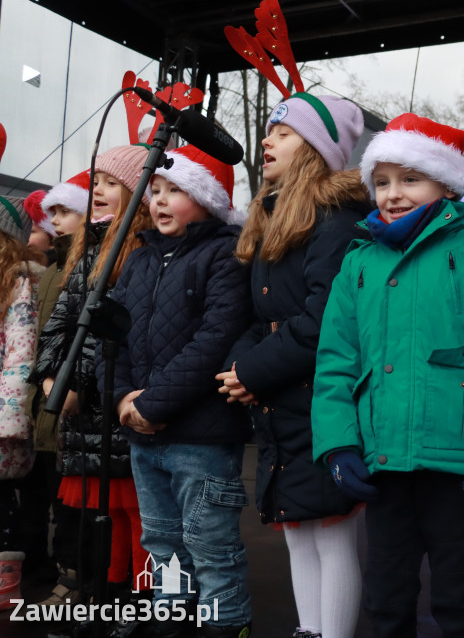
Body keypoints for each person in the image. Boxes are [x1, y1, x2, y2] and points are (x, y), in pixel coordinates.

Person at [312, 112, 464, 638]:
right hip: (383, 462)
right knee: (385, 598)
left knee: (458, 596)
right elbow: (337, 357)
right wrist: (338, 444)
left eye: (410, 179)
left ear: (444, 182)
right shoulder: (358, 261)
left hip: (457, 461)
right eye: (381, 182)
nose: (393, 193)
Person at [216, 92, 370, 638]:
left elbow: (323, 319)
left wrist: (254, 372)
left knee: (331, 533)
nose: (265, 141)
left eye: (282, 133)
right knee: (297, 529)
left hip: (322, 402)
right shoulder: (279, 219)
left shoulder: (336, 223)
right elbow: (262, 318)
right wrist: (241, 369)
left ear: (314, 148)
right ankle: (309, 630)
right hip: (285, 400)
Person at [102, 145, 253, 638]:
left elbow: (214, 341)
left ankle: (224, 626)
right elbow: (116, 336)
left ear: (208, 199)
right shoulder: (142, 260)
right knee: (163, 543)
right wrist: (123, 400)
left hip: (201, 438)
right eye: (157, 191)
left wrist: (150, 404)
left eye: (176, 191)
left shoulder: (225, 255)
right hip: (145, 437)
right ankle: (171, 624)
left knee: (211, 548)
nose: (160, 201)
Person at [33, 145, 152, 603]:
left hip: (114, 407)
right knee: (103, 520)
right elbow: (60, 324)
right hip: (81, 415)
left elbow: (115, 331)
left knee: (134, 519)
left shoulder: (136, 251)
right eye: (96, 182)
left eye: (109, 182)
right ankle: (107, 594)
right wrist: (50, 378)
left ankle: (139, 601)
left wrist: (77, 384)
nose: (98, 190)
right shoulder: (89, 248)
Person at [16, 170, 88, 593]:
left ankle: (72, 582)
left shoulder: (74, 270)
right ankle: (38, 580)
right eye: (53, 211)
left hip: (66, 409)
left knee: (68, 508)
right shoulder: (52, 269)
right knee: (36, 501)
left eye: (64, 211)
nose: (53, 220)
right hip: (40, 407)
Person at [0, 196, 42, 609]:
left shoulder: (16, 285)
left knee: (2, 508)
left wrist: (10, 416)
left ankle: (6, 583)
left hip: (0, 418)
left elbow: (21, 353)